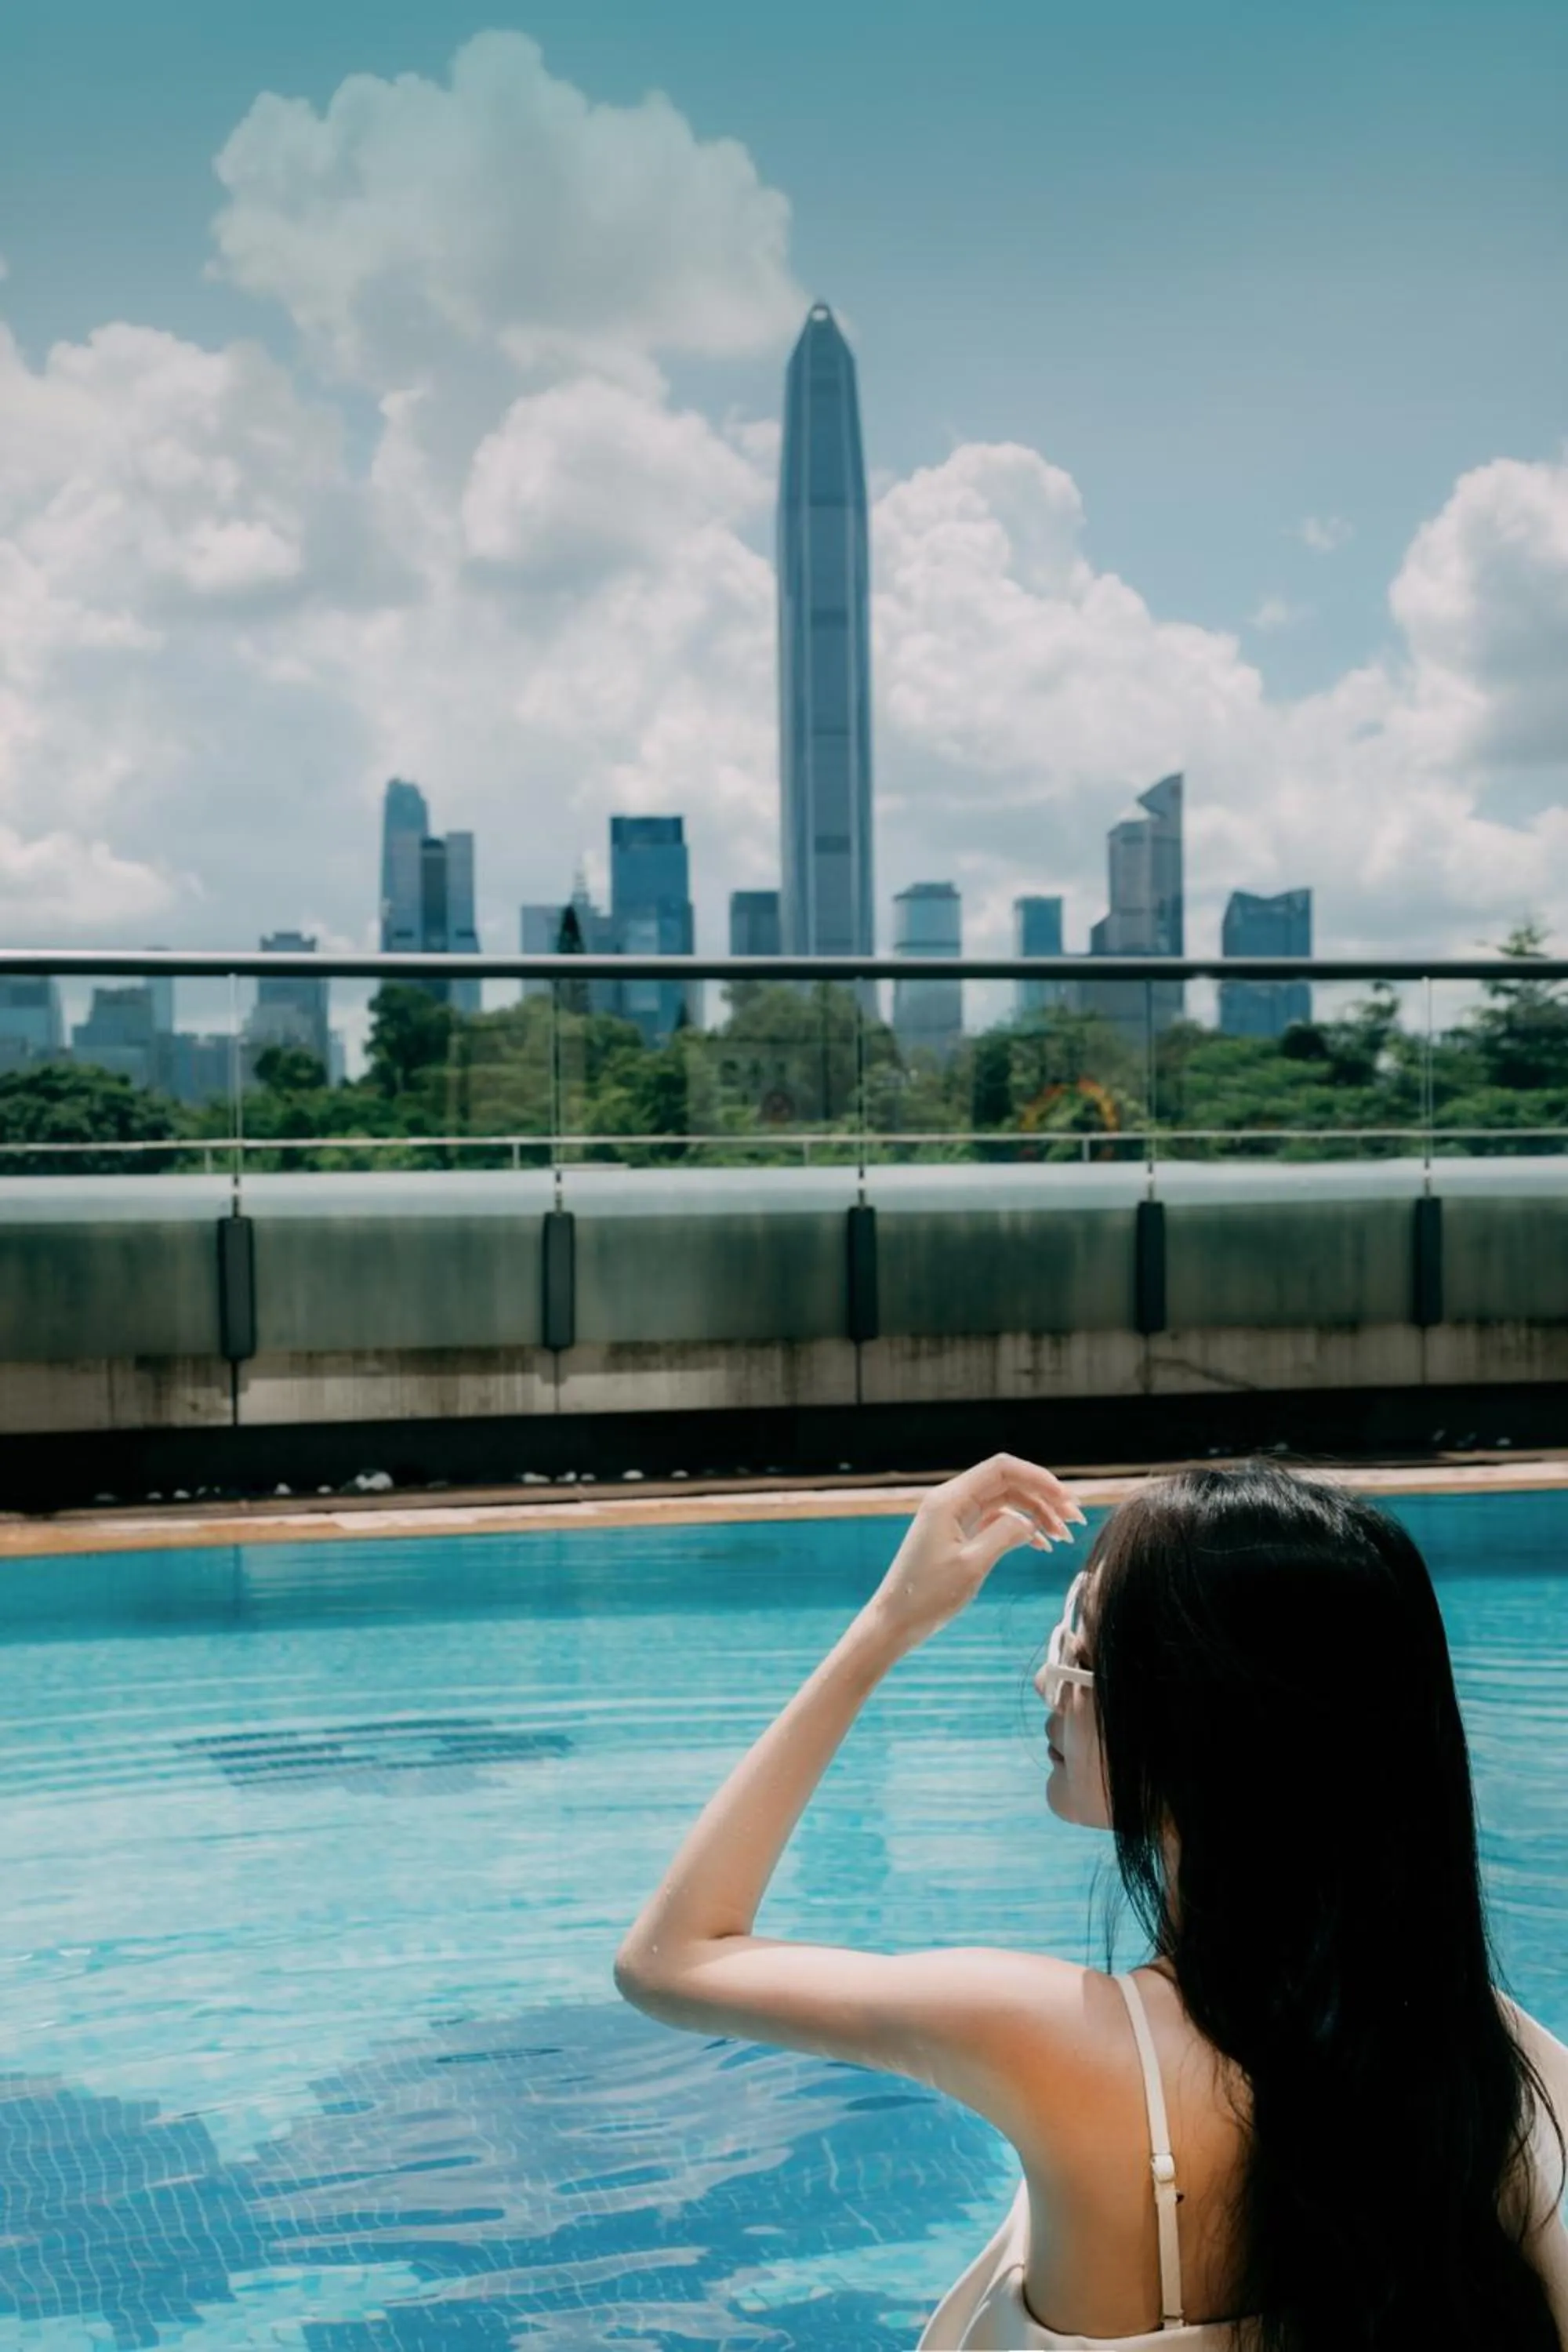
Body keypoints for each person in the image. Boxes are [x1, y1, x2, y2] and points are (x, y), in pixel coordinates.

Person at [614, 1454, 1568, 2349]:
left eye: (1079, 1648)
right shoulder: (1481, 2065)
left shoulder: (1049, 2037)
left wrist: (887, 1624)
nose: (1048, 1684)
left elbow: (670, 1958)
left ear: (1193, 1721)